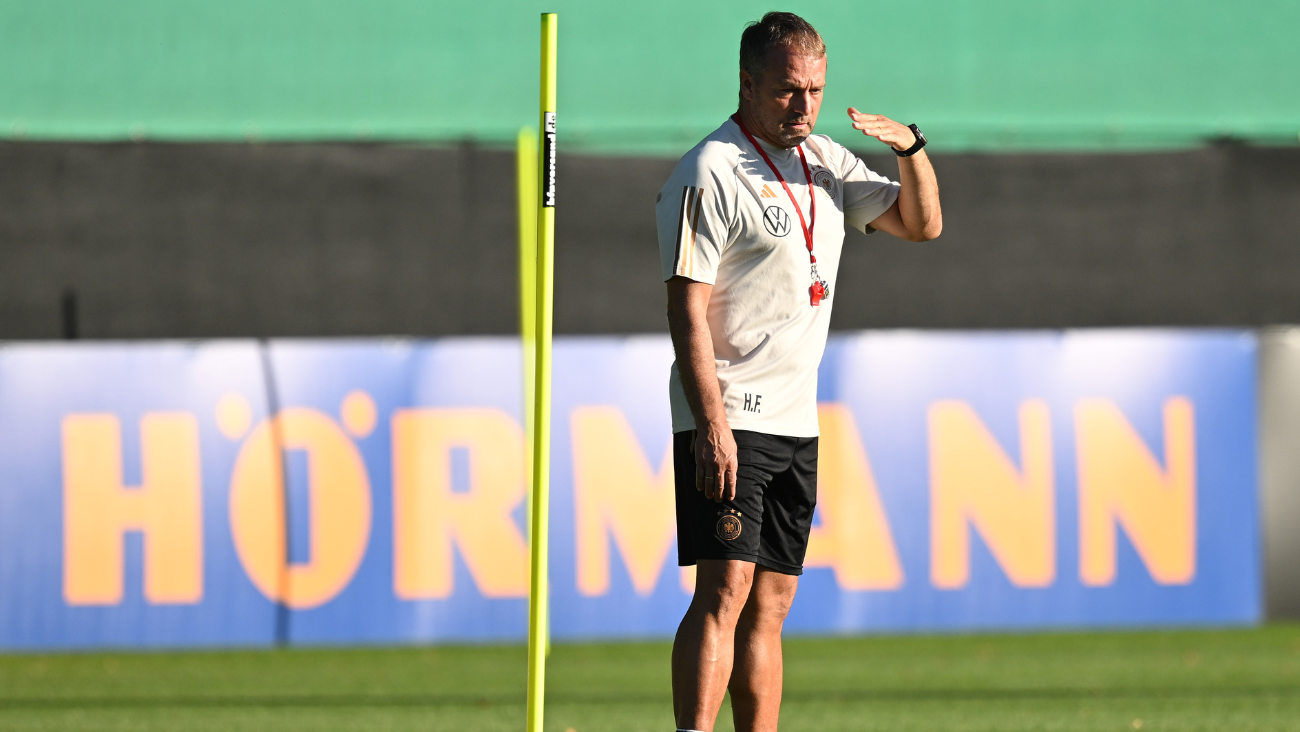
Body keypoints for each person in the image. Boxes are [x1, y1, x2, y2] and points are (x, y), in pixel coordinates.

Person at [655, 11, 942, 732]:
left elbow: (922, 224)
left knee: (773, 603)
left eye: (814, 89)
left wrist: (911, 148)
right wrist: (711, 427)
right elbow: (686, 311)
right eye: (788, 90)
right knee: (724, 589)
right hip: (730, 413)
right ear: (748, 84)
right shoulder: (709, 171)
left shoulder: (824, 160)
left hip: (795, 418)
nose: (804, 105)